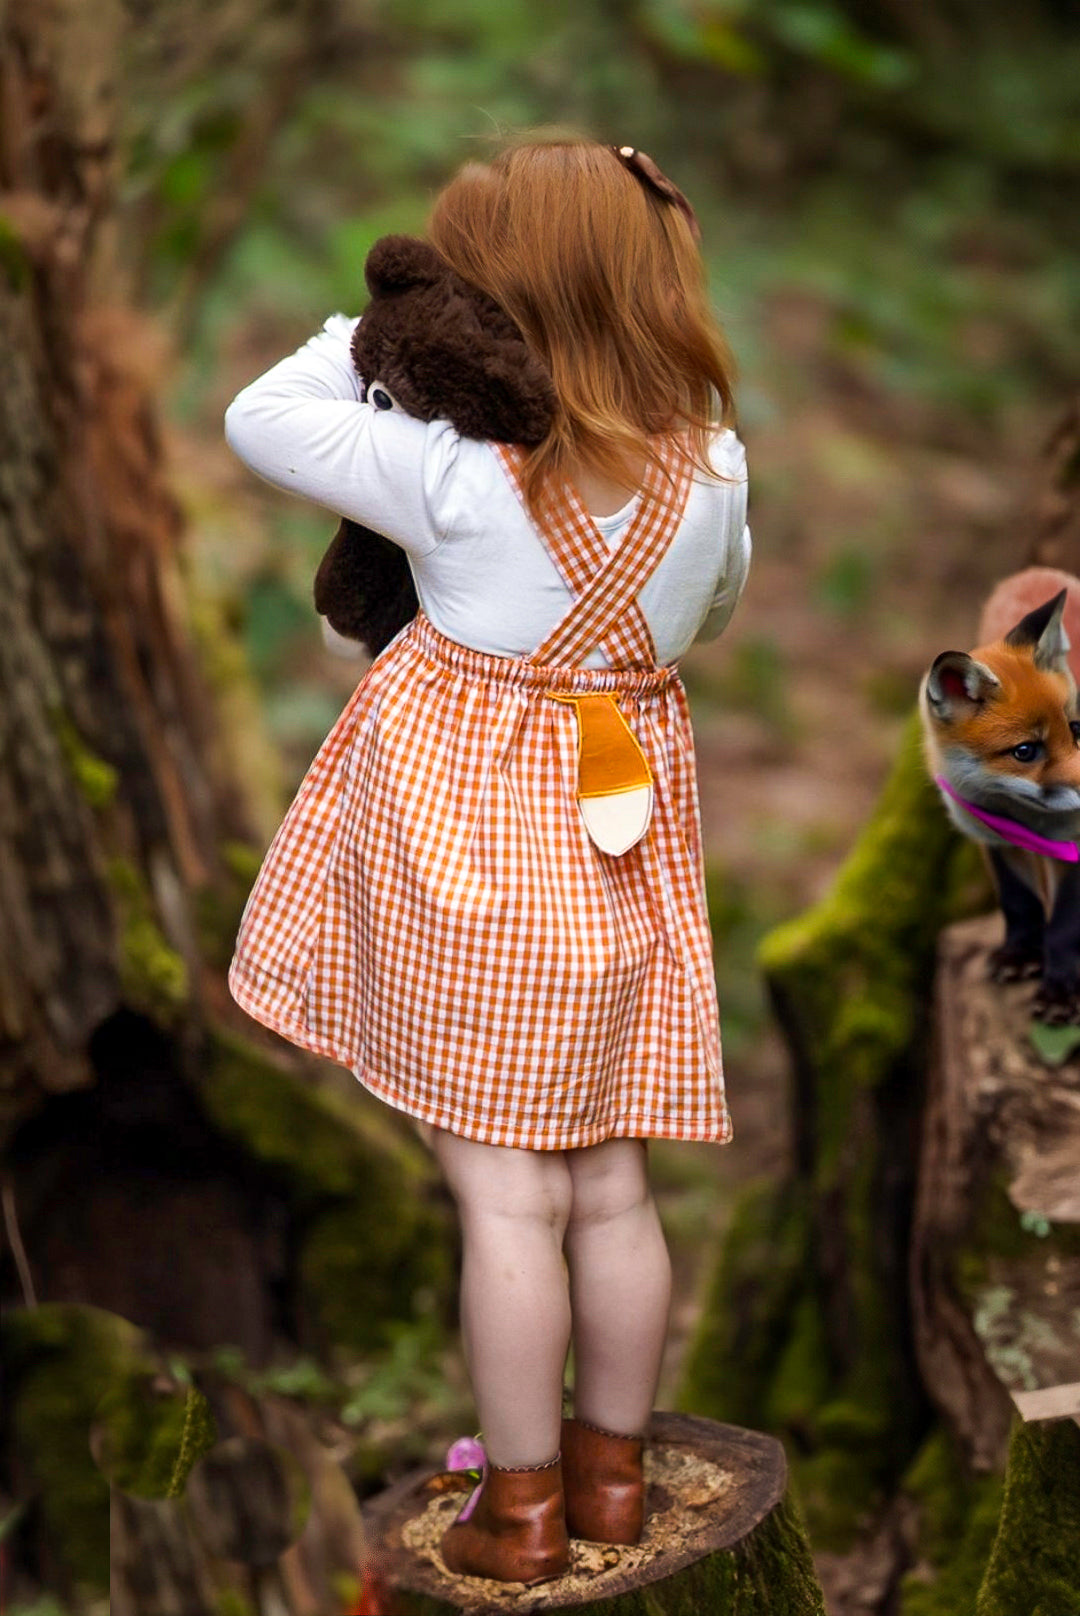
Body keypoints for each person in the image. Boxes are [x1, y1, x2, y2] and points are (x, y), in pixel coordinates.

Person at [223, 135, 751, 1587]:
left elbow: (262, 416)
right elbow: (718, 603)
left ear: (489, 301)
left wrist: (376, 323)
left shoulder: (454, 471)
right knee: (611, 1189)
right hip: (623, 835)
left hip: (470, 857)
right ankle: (618, 1481)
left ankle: (518, 1509)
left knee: (506, 1197)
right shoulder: (713, 465)